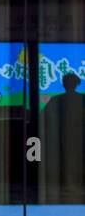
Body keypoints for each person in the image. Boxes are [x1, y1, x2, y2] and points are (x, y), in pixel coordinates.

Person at [41, 70, 85, 202]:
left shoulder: (56, 99)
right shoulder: (82, 99)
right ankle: (74, 185)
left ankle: (68, 185)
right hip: (77, 135)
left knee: (67, 158)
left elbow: (44, 117)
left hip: (64, 135)